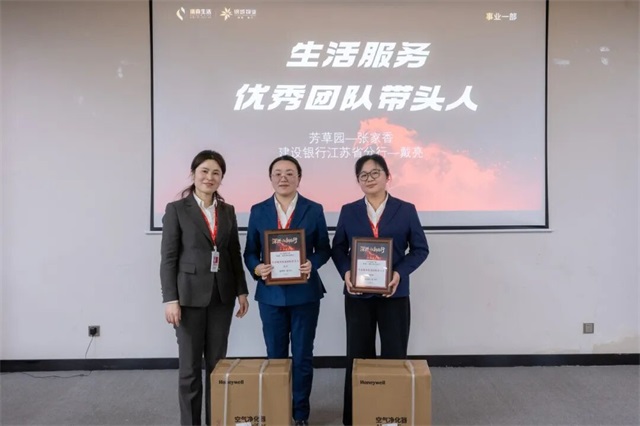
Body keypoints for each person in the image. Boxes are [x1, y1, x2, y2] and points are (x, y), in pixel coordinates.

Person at [331, 153, 429, 426]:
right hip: (357, 295)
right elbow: (338, 248)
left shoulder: (406, 209)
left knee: (394, 354)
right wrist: (346, 272)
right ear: (358, 180)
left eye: (375, 173)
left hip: (394, 294)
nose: (369, 178)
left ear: (388, 176)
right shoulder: (349, 210)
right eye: (363, 175)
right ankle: (356, 417)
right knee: (357, 356)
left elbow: (420, 249)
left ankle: (392, 414)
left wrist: (399, 273)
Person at [160, 150, 249, 426]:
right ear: (193, 174)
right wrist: (170, 299)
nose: (209, 177)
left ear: (221, 178)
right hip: (187, 298)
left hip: (221, 297)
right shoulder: (176, 209)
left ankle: (216, 421)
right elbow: (169, 258)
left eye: (216, 173)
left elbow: (233, 253)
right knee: (189, 369)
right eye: (204, 171)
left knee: (217, 367)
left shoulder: (227, 211)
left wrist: (242, 291)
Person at [243, 155, 331, 426]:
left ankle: (301, 414)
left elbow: (324, 249)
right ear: (270, 178)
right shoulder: (258, 210)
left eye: (290, 173)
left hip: (305, 295)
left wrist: (312, 262)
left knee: (303, 356)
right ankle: (278, 411)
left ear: (299, 178)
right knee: (275, 356)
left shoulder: (314, 209)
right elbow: (250, 252)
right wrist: (257, 268)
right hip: (270, 296)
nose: (284, 178)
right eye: (278, 173)